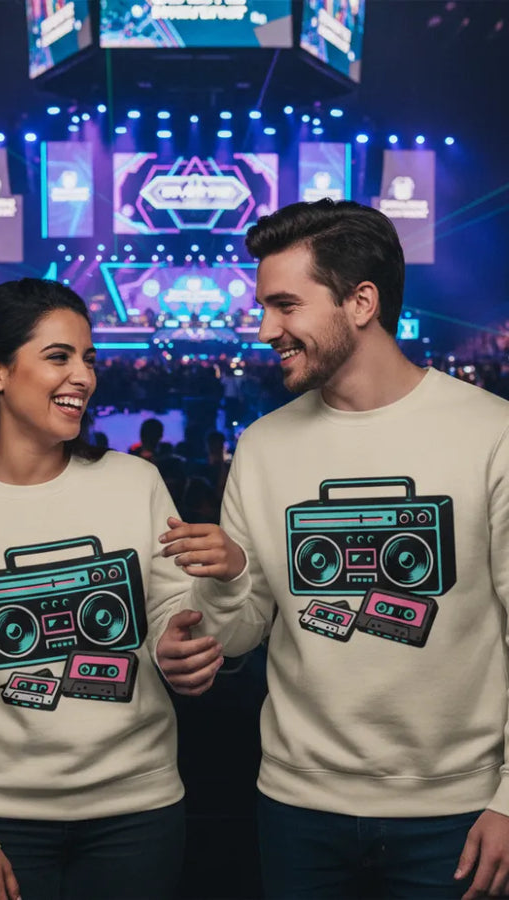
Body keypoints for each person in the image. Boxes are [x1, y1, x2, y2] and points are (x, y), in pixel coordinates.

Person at [157, 199, 509, 900]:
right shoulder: (263, 446)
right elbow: (239, 633)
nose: (266, 330)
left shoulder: (491, 433)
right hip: (298, 802)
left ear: (361, 302)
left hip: (458, 808)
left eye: (285, 305)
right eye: (264, 307)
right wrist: (230, 578)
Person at [0, 278, 237, 900]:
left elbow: (173, 610)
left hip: (138, 809)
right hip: (0, 818)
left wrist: (184, 632)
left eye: (88, 358)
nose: (83, 376)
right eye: (58, 357)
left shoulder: (134, 482)